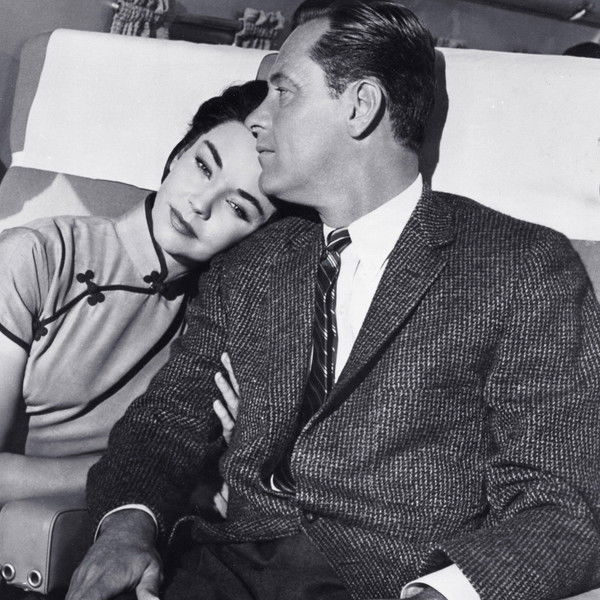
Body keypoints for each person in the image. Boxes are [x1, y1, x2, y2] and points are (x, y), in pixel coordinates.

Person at [67, 2, 600, 600]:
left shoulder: (523, 267)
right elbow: (164, 423)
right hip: (216, 571)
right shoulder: (250, 263)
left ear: (360, 106)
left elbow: (562, 502)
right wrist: (127, 528)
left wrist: (441, 594)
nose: (256, 119)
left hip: (390, 584)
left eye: (283, 92)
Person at [0, 80, 276, 506]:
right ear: (177, 156)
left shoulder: (219, 331)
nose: (201, 203)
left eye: (238, 208)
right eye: (204, 166)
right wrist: (146, 473)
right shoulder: (37, 257)